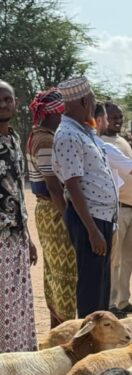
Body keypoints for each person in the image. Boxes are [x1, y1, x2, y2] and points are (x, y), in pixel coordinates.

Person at [53, 76, 119, 317]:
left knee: (101, 286)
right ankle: (89, 345)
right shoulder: (68, 135)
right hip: (89, 219)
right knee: (91, 290)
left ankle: (102, 341)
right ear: (83, 101)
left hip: (102, 217)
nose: (94, 105)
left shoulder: (85, 130)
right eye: (92, 101)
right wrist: (92, 230)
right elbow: (72, 185)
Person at [26, 88, 77, 328]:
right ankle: (64, 329)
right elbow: (54, 188)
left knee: (55, 271)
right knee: (64, 272)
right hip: (55, 211)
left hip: (48, 211)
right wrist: (69, 219)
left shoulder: (40, 135)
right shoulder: (45, 140)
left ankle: (57, 327)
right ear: (55, 113)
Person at [0, 80, 37, 352]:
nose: (3, 104)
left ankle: (16, 361)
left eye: (7, 99)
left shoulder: (14, 140)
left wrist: (28, 237)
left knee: (17, 305)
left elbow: (19, 194)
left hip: (16, 237)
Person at [100, 102, 132, 316]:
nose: (118, 120)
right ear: (103, 118)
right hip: (115, 208)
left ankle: (123, 301)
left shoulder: (124, 142)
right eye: (113, 117)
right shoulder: (101, 142)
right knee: (114, 259)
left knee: (129, 258)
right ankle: (110, 302)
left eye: (120, 117)